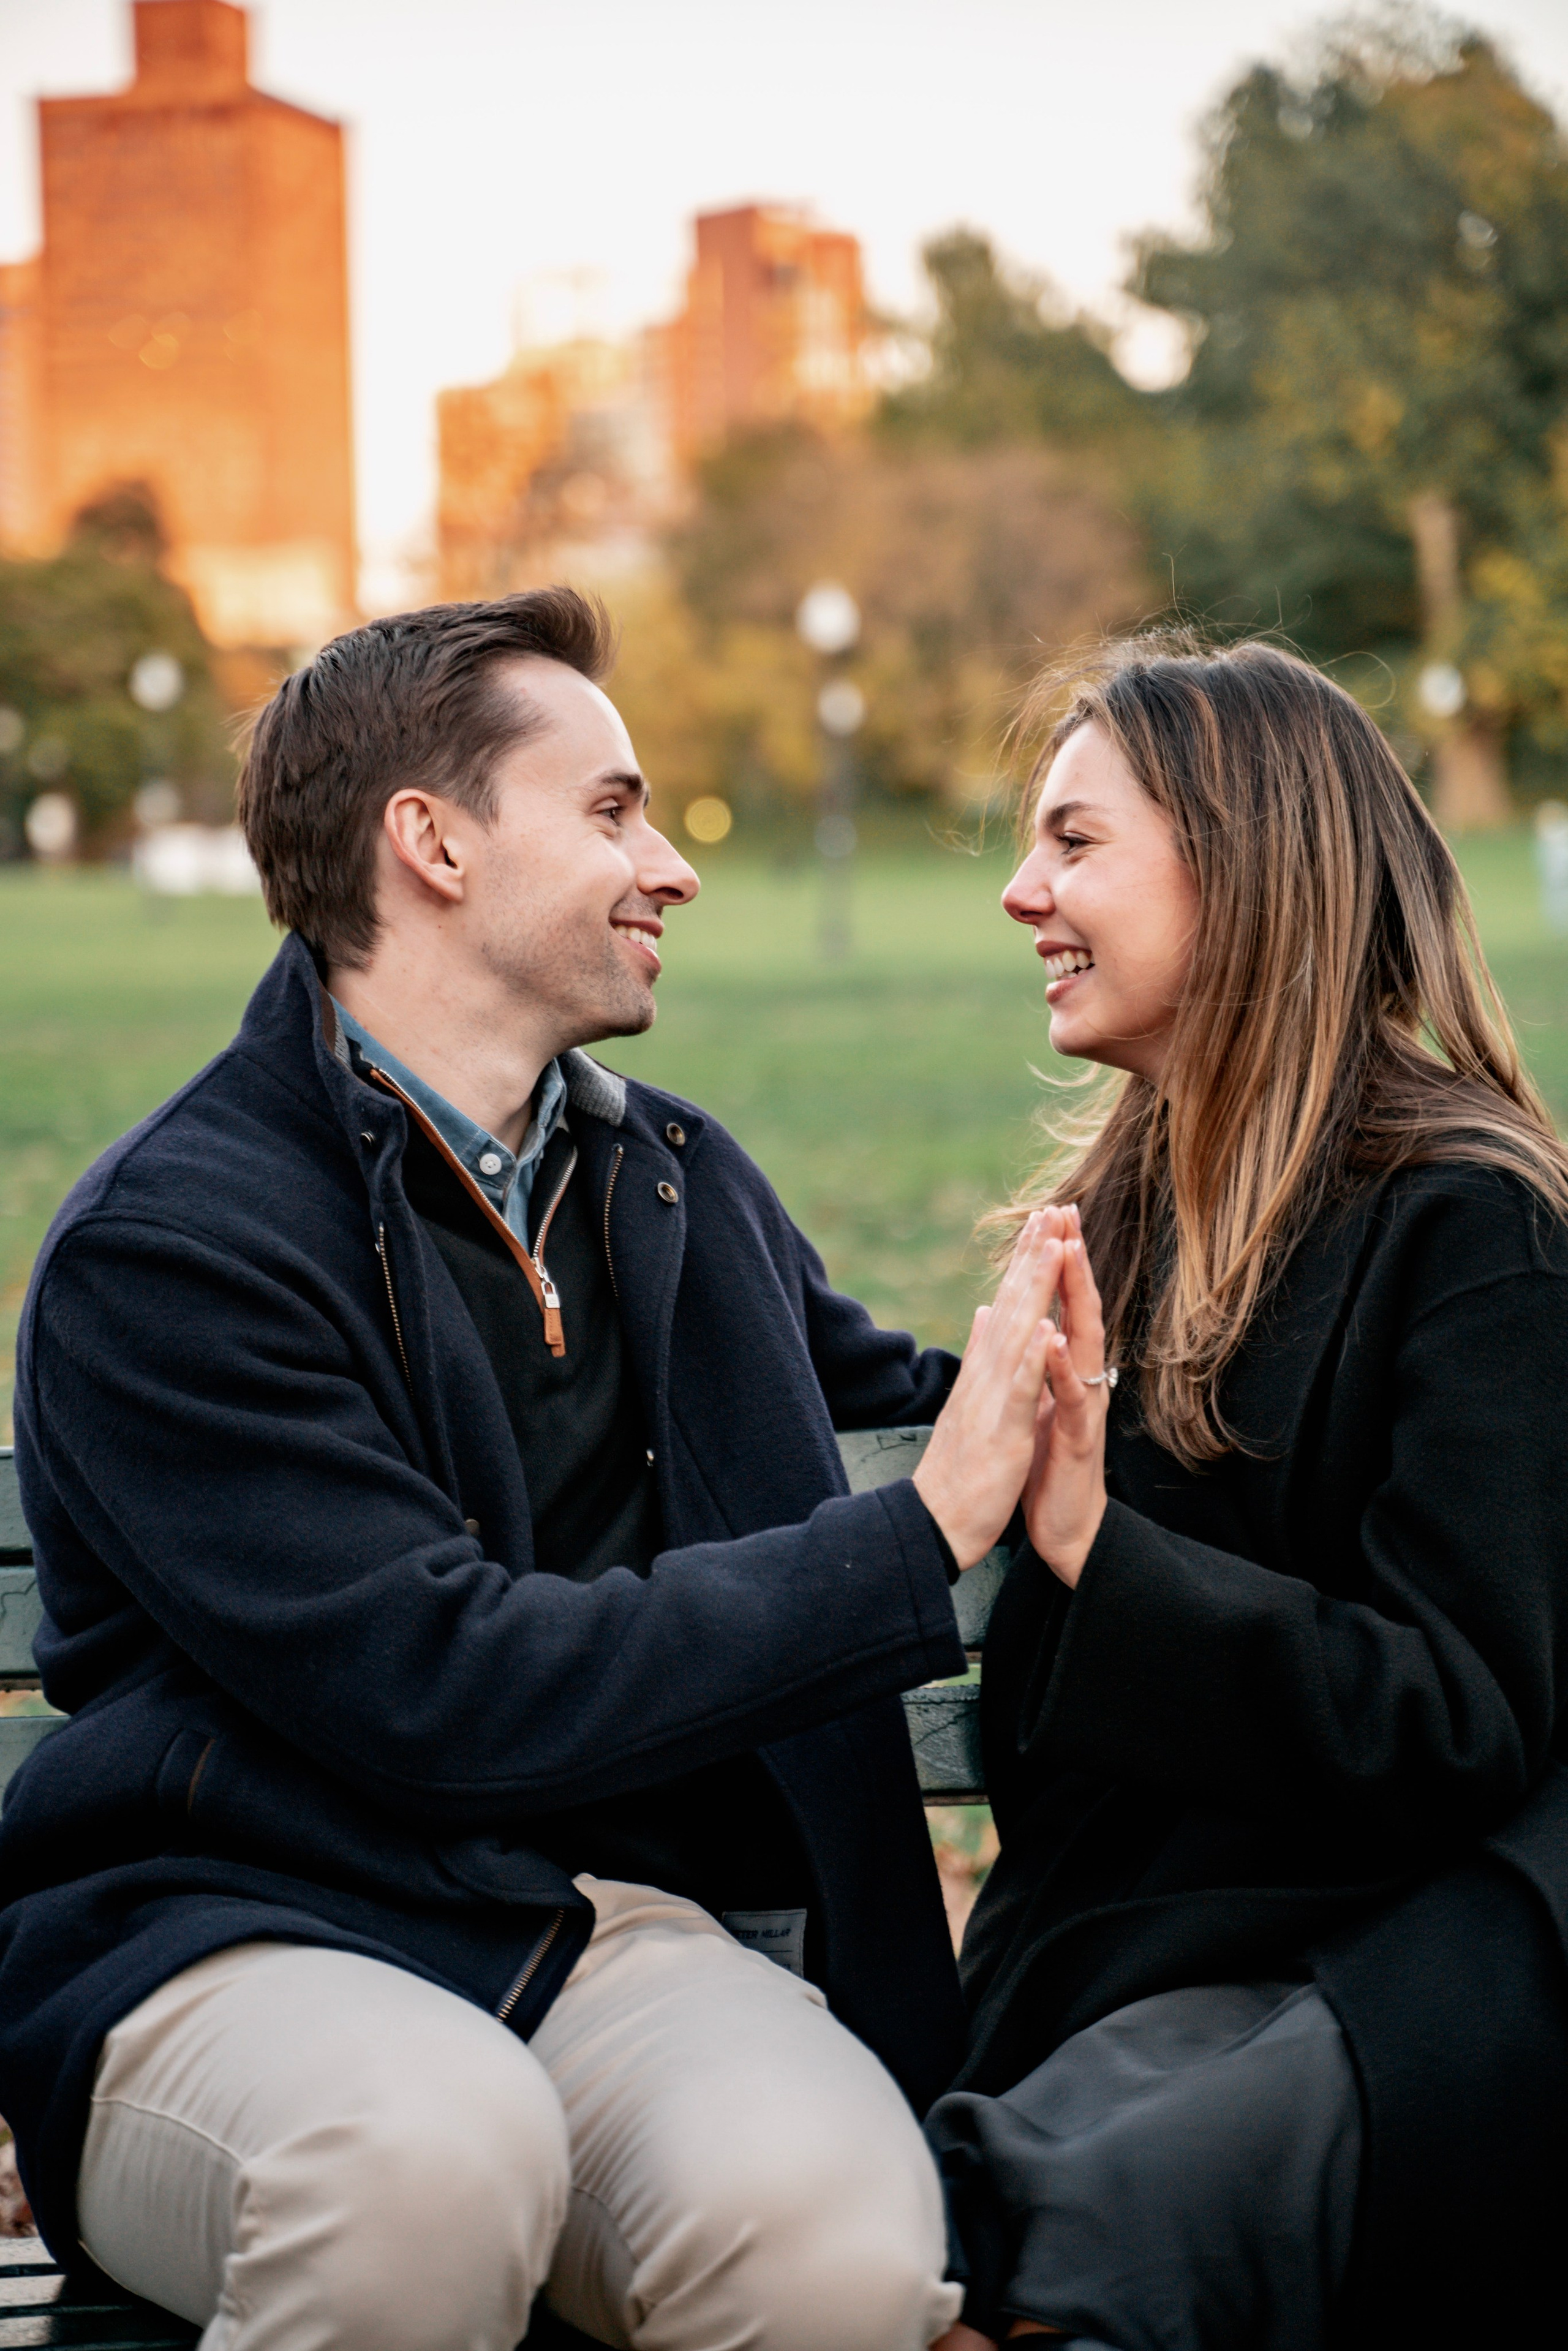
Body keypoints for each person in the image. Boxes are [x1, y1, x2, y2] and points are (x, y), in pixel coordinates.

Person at [0, 589, 1066, 2351]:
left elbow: (927, 1405)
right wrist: (914, 1540)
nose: (672, 864)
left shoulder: (670, 1182)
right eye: (610, 809)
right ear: (431, 844)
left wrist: (1193, 1382)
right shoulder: (170, 1249)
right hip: (236, 1934)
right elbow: (446, 1687)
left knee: (833, 2243)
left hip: (599, 1931)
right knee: (427, 2160)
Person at [925, 635, 1568, 2351]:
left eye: (1074, 842)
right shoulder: (1125, 1223)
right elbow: (1046, 1756)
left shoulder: (1471, 1231)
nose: (1020, 891)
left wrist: (1090, 1548)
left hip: (1372, 1961)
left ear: (1245, 865)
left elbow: (1466, 1721)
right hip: (1126, 1952)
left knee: (1080, 2224)